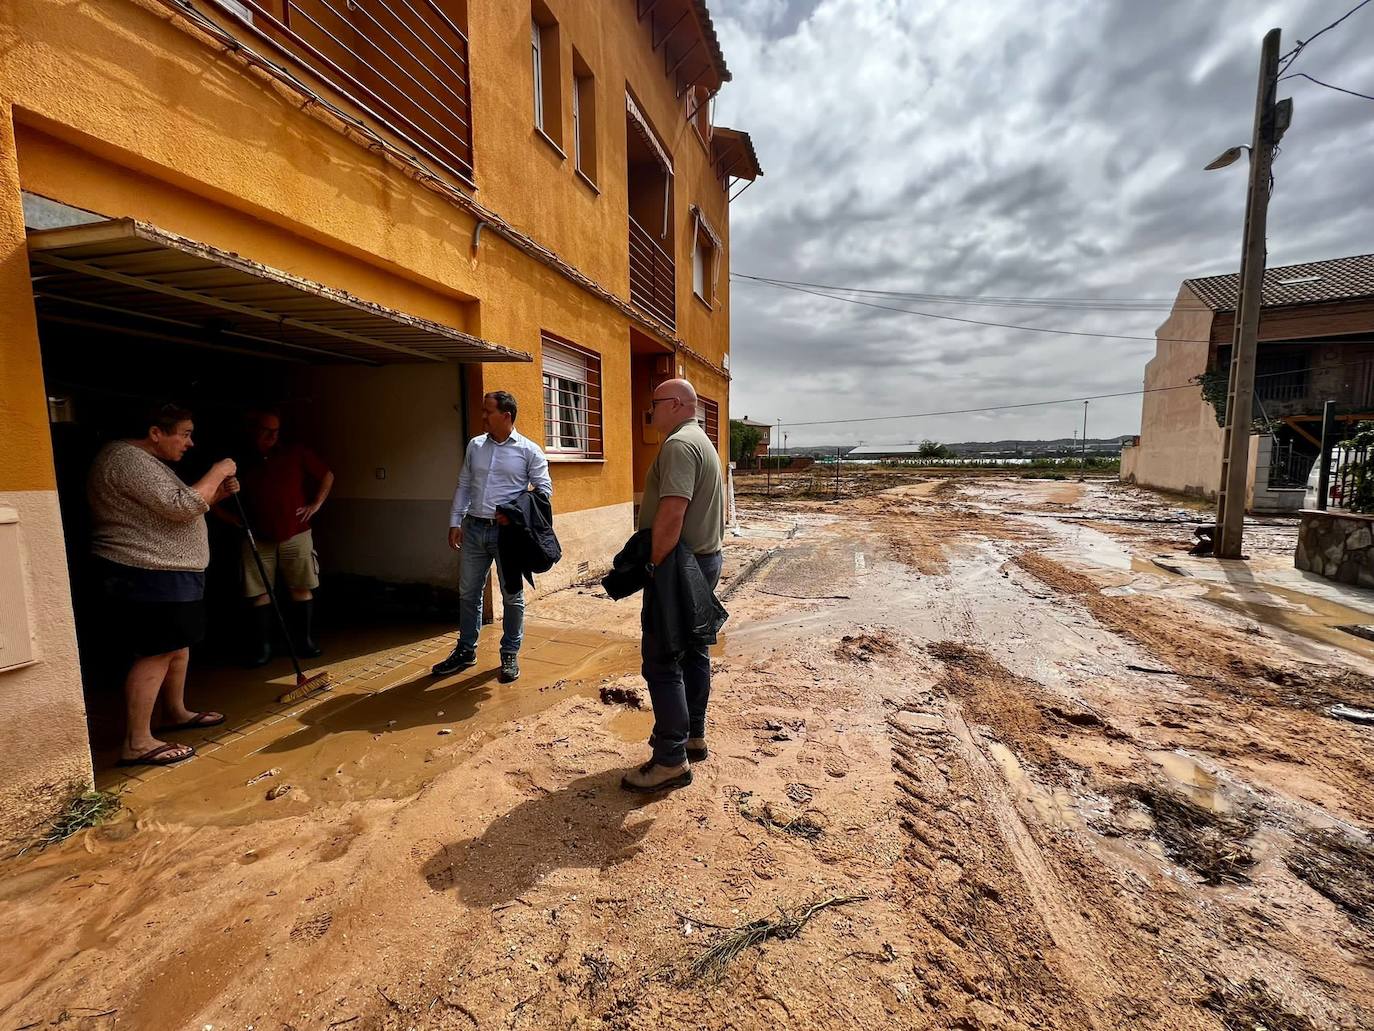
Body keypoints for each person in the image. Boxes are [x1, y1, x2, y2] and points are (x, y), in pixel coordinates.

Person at [87, 403, 239, 767]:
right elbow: (182, 505)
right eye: (185, 433)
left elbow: (182, 506)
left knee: (176, 646)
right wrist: (217, 472)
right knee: (156, 651)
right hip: (148, 571)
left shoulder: (146, 464)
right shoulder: (127, 460)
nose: (190, 442)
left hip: (170, 571)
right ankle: (137, 741)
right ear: (156, 432)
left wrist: (216, 495)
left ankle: (175, 711)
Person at [621, 378, 724, 793]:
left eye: (654, 405)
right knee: (693, 651)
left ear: (678, 404)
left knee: (663, 661)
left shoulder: (680, 444)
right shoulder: (700, 440)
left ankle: (670, 760)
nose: (650, 414)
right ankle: (692, 737)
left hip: (679, 565)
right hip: (701, 560)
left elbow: (672, 513)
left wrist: (651, 563)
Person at [432, 391, 552, 684]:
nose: (482, 416)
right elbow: (463, 484)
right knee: (468, 592)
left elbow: (544, 491)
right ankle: (465, 650)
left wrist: (514, 512)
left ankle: (509, 652)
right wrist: (455, 520)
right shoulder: (475, 445)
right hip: (473, 528)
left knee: (512, 596)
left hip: (507, 535)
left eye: (488, 411)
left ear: (506, 416)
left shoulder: (529, 451)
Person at [233, 410, 334, 665]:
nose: (272, 435)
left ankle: (305, 642)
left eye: (276, 430)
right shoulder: (241, 459)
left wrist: (315, 504)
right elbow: (217, 495)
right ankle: (263, 648)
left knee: (301, 587)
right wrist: (233, 520)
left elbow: (327, 475)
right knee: (259, 592)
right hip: (257, 535)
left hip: (296, 532)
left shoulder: (294, 452)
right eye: (266, 430)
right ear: (253, 429)